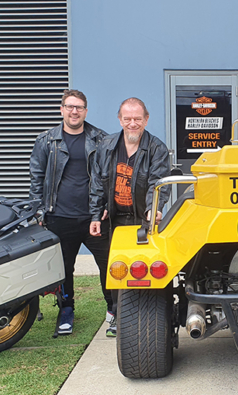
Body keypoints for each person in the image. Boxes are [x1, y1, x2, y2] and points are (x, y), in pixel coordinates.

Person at [29, 89, 113, 335]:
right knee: (64, 269)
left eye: (79, 107)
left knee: (108, 265)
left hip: (94, 217)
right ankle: (66, 311)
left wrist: (106, 206)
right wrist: (39, 212)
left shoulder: (101, 139)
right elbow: (37, 178)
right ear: (62, 109)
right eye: (70, 106)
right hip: (59, 217)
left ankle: (114, 308)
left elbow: (110, 177)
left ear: (86, 111)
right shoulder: (46, 140)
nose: (74, 111)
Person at [89, 97, 171, 337]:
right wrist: (96, 214)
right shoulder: (106, 146)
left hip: (141, 218)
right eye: (128, 119)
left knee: (142, 269)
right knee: (115, 270)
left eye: (137, 118)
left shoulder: (156, 148)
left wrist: (153, 207)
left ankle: (144, 318)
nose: (132, 123)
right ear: (119, 119)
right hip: (114, 218)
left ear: (146, 119)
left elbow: (159, 183)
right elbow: (97, 183)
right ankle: (117, 315)